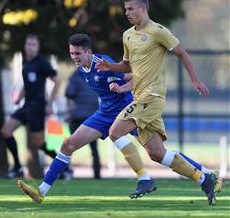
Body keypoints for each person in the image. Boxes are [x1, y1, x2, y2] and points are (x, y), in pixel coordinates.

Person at [17, 33, 221, 205]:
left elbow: (134, 76)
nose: (74, 57)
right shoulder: (81, 69)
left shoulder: (103, 64)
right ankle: (41, 192)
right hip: (105, 114)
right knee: (68, 144)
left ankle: (203, 174)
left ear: (89, 52)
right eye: (71, 53)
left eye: (78, 53)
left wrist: (122, 87)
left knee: (158, 154)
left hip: (128, 111)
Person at [95, 0, 217, 205]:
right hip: (140, 96)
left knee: (114, 131)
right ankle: (203, 178)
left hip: (152, 97)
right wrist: (111, 66)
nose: (127, 13)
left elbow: (182, 53)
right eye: (125, 9)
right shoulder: (127, 35)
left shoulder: (158, 31)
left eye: (131, 9)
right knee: (157, 154)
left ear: (143, 9)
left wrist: (194, 80)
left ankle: (144, 179)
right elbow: (127, 65)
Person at [1, 34, 64, 178]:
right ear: (25, 46)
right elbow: (27, 84)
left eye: (33, 45)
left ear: (38, 47)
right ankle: (17, 167)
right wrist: (19, 97)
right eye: (28, 44)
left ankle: (62, 165)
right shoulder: (25, 62)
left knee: (39, 143)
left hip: (37, 107)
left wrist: (50, 103)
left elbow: (58, 81)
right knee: (6, 131)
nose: (30, 47)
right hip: (26, 106)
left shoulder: (42, 63)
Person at [65, 70, 102, 179]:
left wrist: (69, 113)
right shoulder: (95, 76)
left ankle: (66, 172)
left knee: (68, 146)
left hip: (77, 117)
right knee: (94, 149)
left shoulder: (75, 77)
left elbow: (69, 95)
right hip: (92, 117)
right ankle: (97, 175)